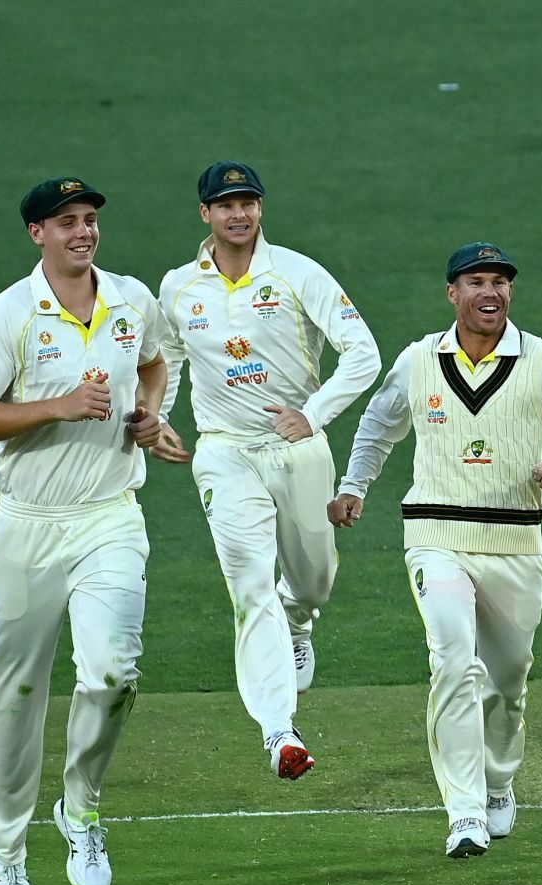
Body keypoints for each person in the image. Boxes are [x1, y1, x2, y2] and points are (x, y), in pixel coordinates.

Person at [0, 176, 188, 885]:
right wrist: (58, 405)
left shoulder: (130, 299)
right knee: (15, 694)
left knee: (112, 673)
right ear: (36, 234)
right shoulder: (9, 315)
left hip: (110, 514)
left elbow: (154, 362)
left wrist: (148, 415)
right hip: (26, 523)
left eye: (89, 220)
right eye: (68, 222)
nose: (84, 232)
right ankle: (6, 854)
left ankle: (80, 809)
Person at [331, 243, 542, 856]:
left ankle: (499, 782)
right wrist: (353, 487)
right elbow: (378, 424)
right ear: (453, 293)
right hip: (434, 538)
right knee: (453, 660)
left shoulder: (539, 360)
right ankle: (465, 812)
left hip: (514, 542)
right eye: (477, 281)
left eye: (501, 282)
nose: (491, 292)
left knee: (507, 683)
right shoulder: (420, 359)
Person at [159, 161, 381, 779]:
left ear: (261, 209)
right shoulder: (178, 287)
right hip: (224, 450)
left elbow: (363, 353)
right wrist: (157, 417)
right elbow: (166, 357)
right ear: (205, 213)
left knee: (311, 581)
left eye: (249, 202)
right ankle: (279, 730)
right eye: (226, 204)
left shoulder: (296, 272)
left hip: (298, 448)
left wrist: (313, 415)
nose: (239, 213)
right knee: (249, 586)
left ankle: (299, 620)